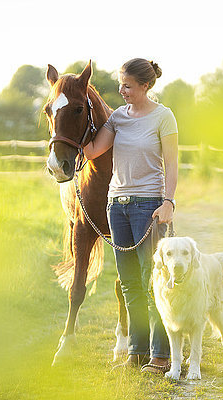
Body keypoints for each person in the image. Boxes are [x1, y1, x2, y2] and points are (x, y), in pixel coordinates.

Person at [83, 58, 178, 374]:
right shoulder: (117, 118)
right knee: (129, 283)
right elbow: (93, 150)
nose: (121, 91)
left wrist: (168, 202)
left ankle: (160, 356)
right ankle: (137, 353)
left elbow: (173, 165)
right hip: (117, 206)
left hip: (148, 206)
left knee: (153, 281)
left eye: (128, 86)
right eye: (120, 84)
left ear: (145, 86)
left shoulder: (163, 117)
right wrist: (67, 126)